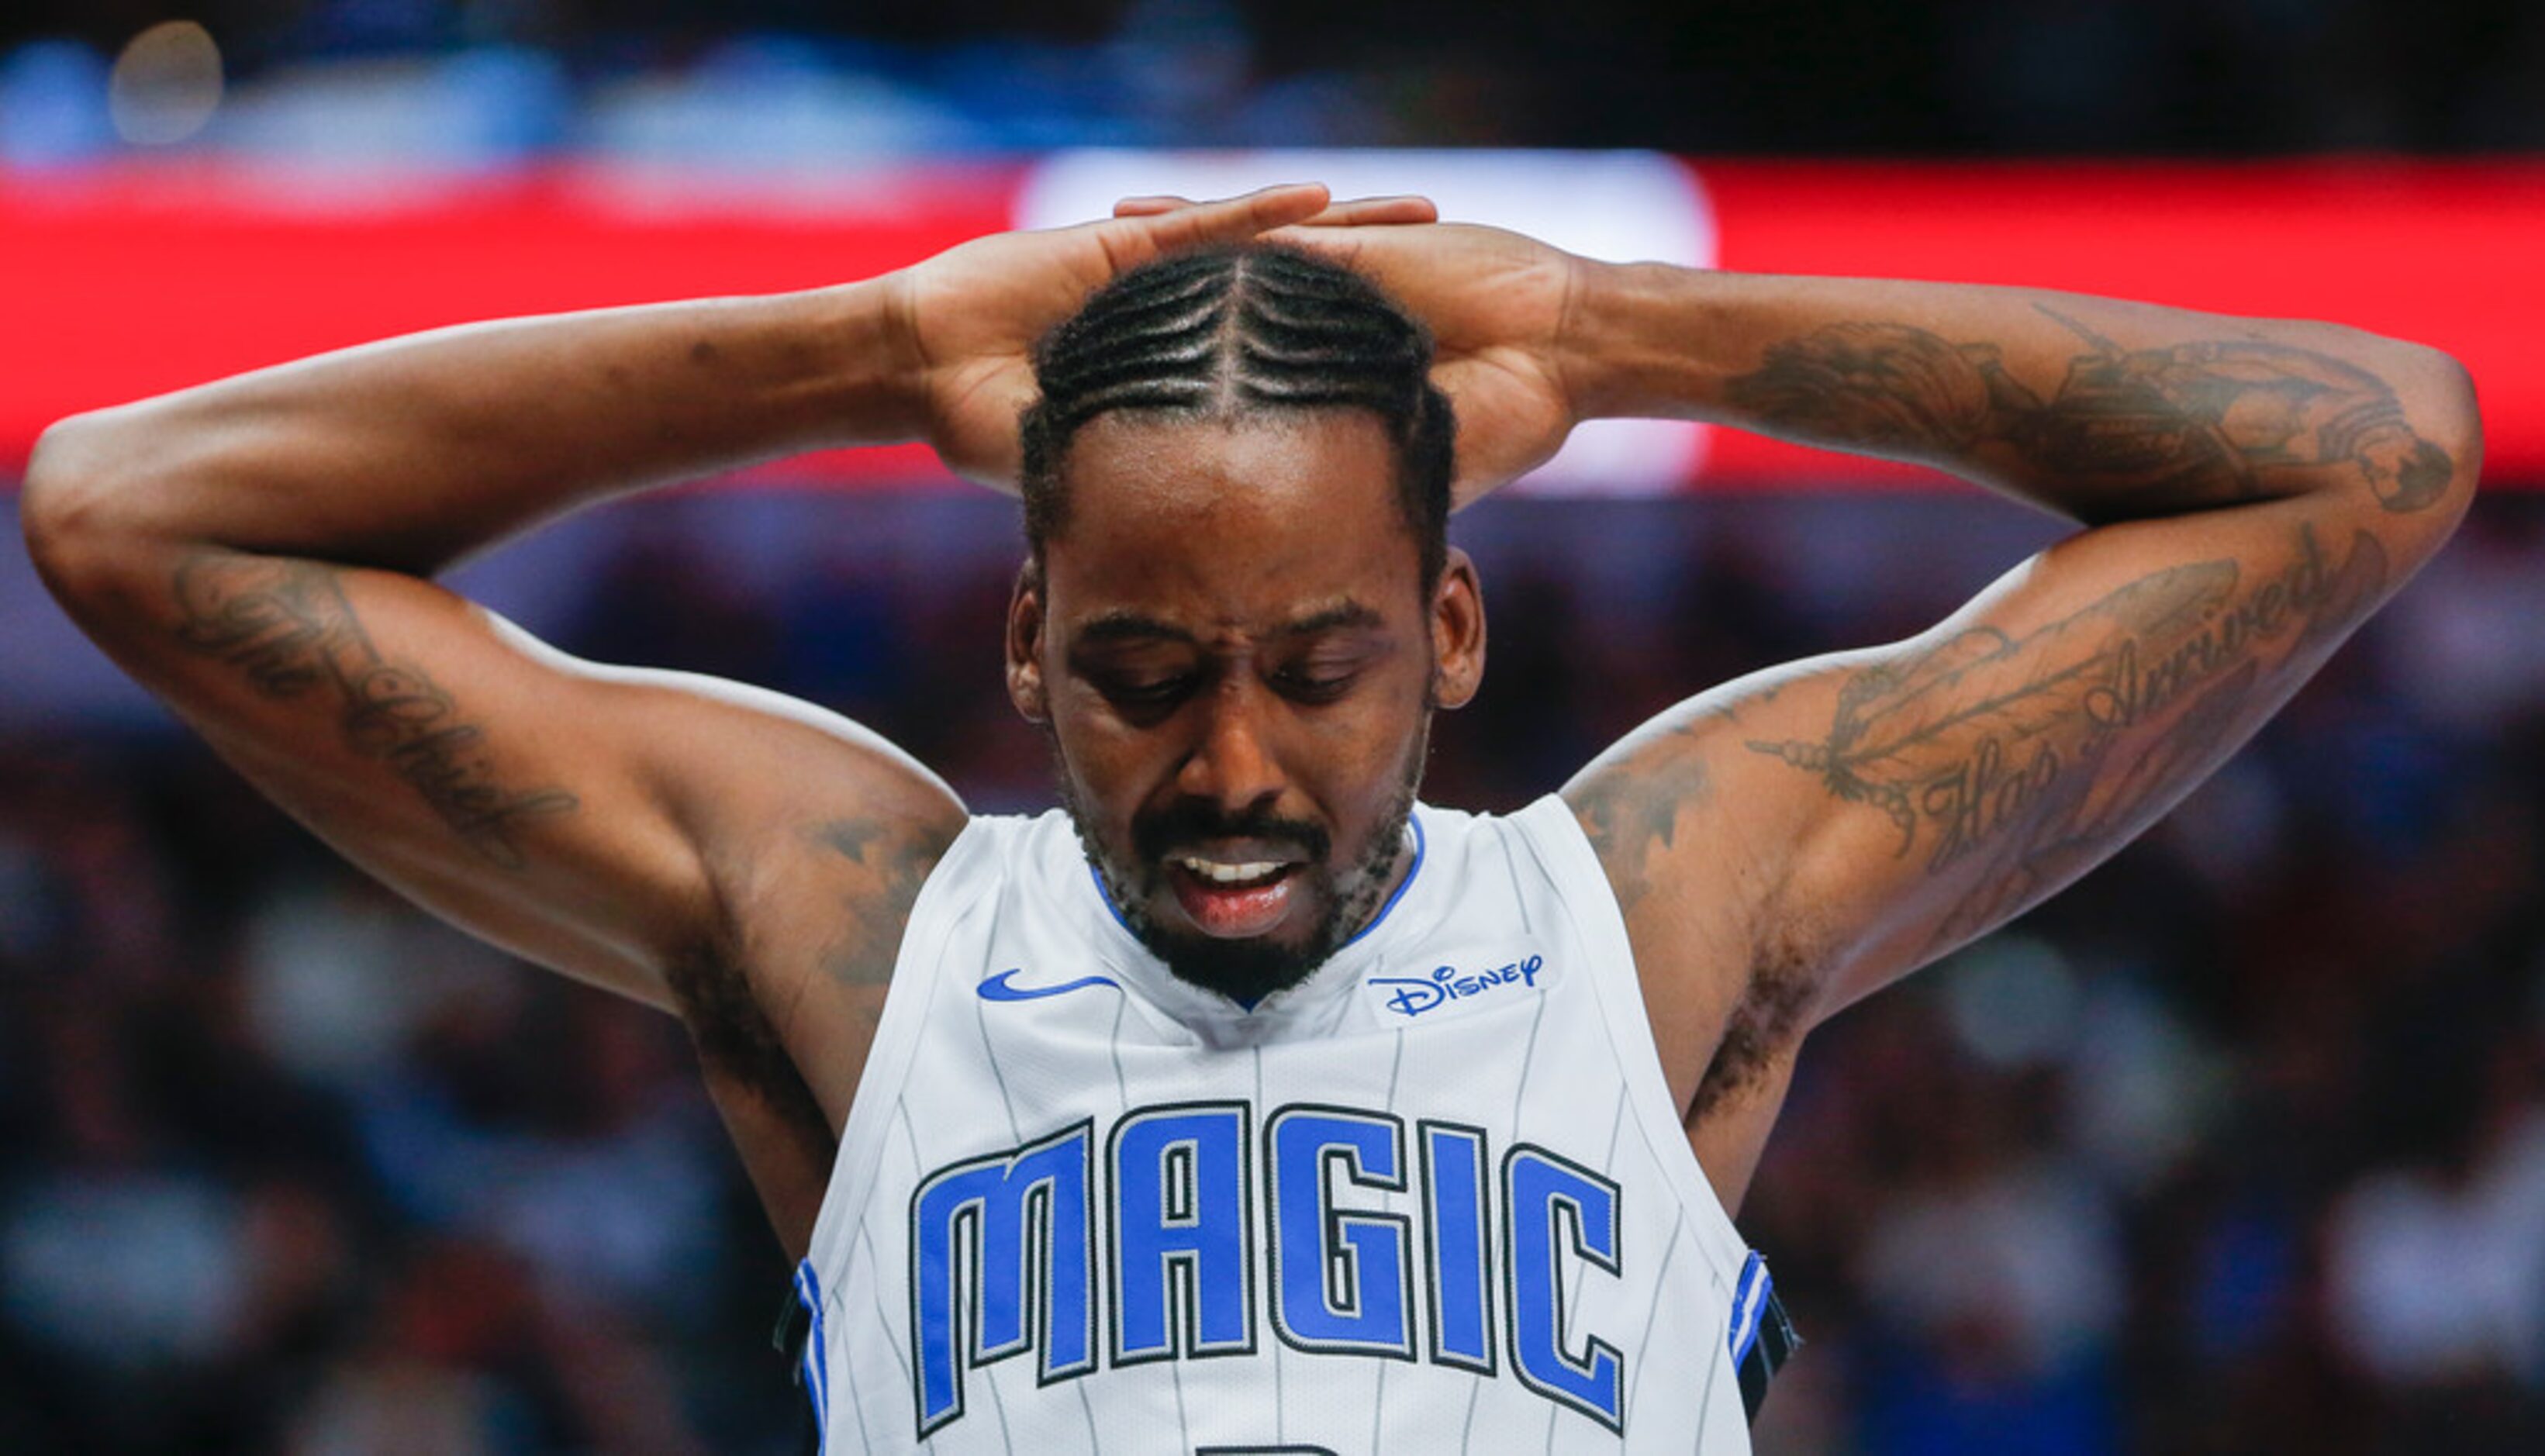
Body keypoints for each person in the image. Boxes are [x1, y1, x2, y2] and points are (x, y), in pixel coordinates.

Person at [20, 182, 2480, 1451]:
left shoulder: (1647, 901)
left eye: (1316, 669)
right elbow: (131, 510)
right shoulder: (859, 922)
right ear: (1016, 650)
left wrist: (1630, 336)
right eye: (1136, 674)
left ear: (1450, 635)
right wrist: (869, 349)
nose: (1227, 770)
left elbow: (2377, 448)